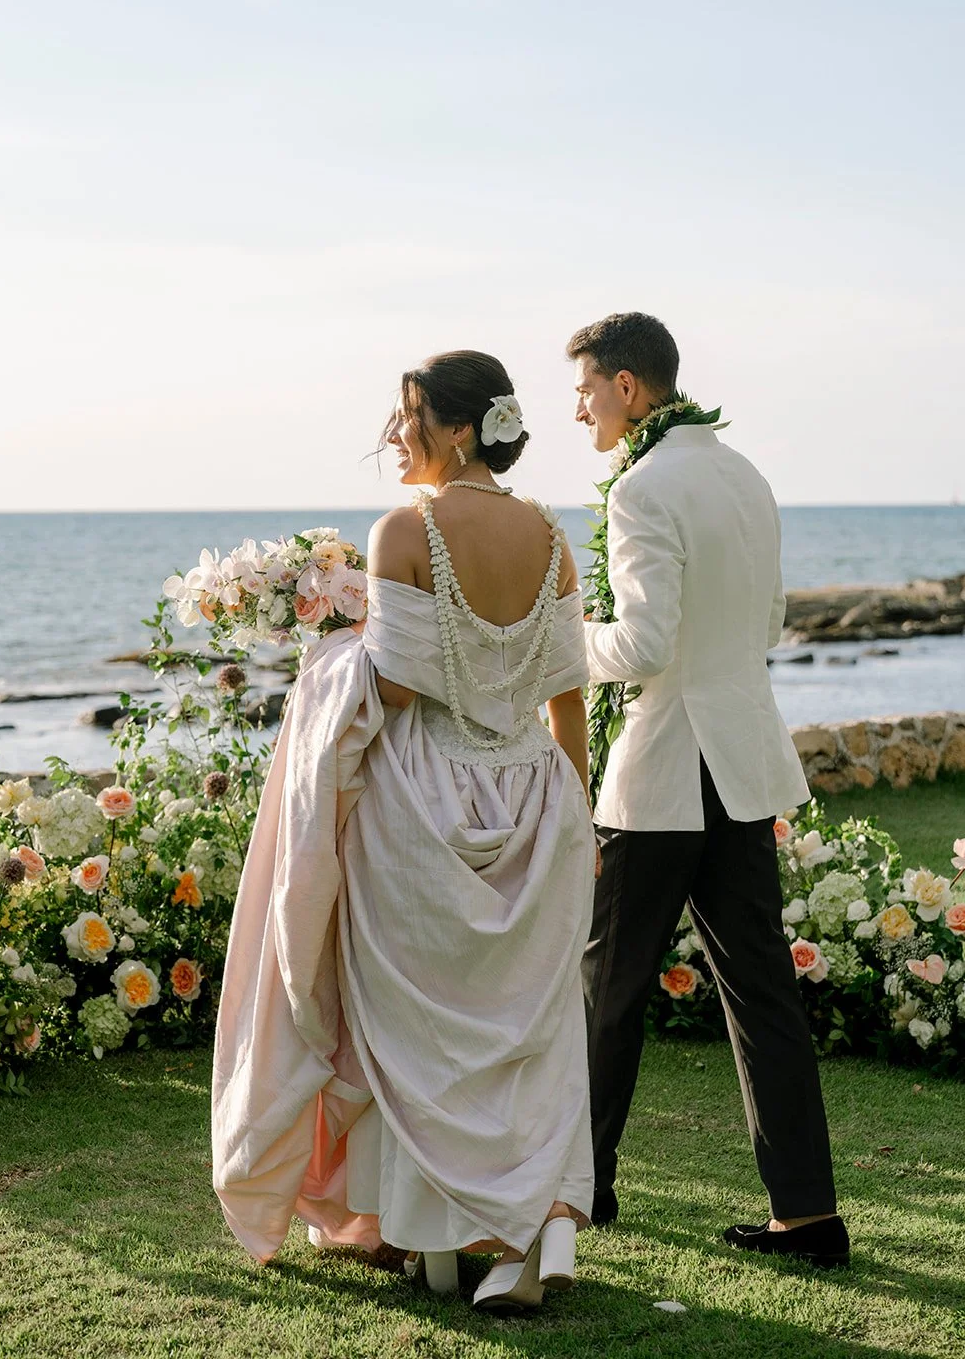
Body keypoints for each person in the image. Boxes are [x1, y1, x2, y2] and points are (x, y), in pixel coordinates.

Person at [212, 350, 598, 1314]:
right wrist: (573, 814)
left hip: (423, 799)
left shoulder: (404, 530)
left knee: (415, 1026)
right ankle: (538, 1230)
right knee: (524, 1030)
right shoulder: (553, 540)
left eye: (409, 414)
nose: (394, 434)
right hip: (536, 797)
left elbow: (391, 689)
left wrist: (333, 648)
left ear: (458, 428)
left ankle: (446, 1236)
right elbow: (565, 696)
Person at [569, 310, 849, 1269]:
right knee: (762, 991)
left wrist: (563, 641)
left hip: (664, 768)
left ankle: (578, 1189)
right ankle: (807, 1215)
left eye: (585, 390)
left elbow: (642, 647)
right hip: (741, 757)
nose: (578, 412)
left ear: (628, 389)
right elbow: (765, 619)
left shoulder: (643, 489)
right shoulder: (747, 476)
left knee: (608, 987)